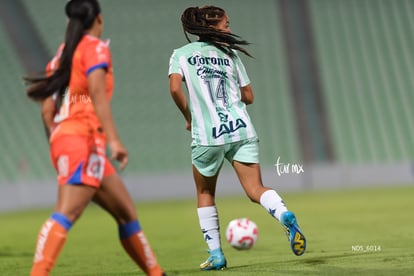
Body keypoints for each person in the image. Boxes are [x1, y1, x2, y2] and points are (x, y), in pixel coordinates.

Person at [23, 1, 166, 275]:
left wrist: (59, 136)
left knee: (126, 212)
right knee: (67, 212)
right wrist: (114, 139)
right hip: (84, 140)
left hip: (68, 139)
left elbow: (46, 108)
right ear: (99, 19)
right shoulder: (95, 48)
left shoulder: (62, 54)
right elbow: (97, 95)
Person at [168, 6, 306, 270]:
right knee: (256, 190)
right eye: (226, 24)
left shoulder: (181, 55)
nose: (229, 29)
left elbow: (175, 88)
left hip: (208, 136)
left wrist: (189, 115)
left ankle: (216, 254)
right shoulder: (230, 55)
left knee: (205, 192)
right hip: (241, 130)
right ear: (213, 27)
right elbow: (249, 97)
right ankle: (283, 213)